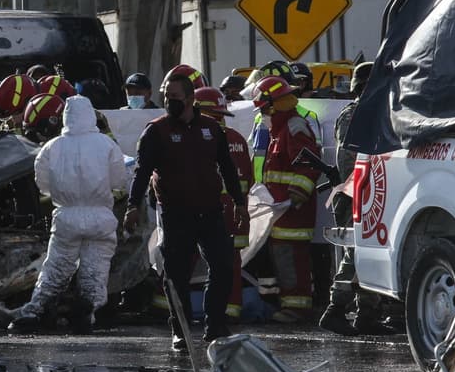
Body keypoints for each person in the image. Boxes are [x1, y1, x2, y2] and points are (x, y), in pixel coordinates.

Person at [125, 72, 247, 350]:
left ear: (191, 99)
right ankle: (180, 330)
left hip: (211, 211)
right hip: (176, 214)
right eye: (166, 96)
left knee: (223, 266)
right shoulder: (156, 131)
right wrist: (132, 206)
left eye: (175, 97)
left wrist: (239, 203)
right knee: (176, 274)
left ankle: (215, 325)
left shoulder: (211, 129)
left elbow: (227, 168)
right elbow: (141, 173)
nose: (169, 101)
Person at [9, 96, 127, 334]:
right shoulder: (106, 144)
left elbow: (42, 185)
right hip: (100, 217)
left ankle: (35, 311)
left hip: (66, 217)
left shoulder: (52, 147)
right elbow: (119, 180)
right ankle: (86, 314)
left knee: (55, 267)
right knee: (95, 271)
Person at [318, 63, 394, 335]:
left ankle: (367, 315)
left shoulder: (375, 113)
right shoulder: (354, 115)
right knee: (357, 251)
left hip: (371, 193)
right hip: (356, 194)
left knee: (370, 251)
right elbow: (349, 161)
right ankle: (335, 310)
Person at [252, 76, 320, 323]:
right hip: (282, 210)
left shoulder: (293, 127)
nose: (262, 115)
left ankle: (297, 309)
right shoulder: (280, 129)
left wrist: (295, 197)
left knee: (292, 260)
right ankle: (289, 304)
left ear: (272, 106)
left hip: (293, 212)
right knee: (283, 258)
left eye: (263, 109)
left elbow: (308, 166)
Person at [194, 87, 253, 321]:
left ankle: (169, 308)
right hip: (236, 212)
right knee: (231, 263)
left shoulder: (198, 138)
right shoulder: (237, 139)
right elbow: (249, 177)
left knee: (186, 258)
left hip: (205, 210)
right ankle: (232, 308)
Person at [248, 61, 321, 183]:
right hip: (264, 188)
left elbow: (311, 160)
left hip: (287, 189)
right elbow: (256, 153)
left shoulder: (304, 118)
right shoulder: (261, 117)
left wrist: (296, 191)